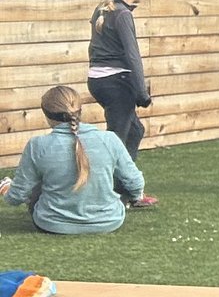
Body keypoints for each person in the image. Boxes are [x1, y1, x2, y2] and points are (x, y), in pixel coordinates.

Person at [4, 85, 144, 234]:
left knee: (38, 183)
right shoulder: (109, 140)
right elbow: (135, 182)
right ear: (80, 110)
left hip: (51, 224)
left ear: (47, 115)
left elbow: (16, 197)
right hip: (109, 221)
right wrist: (135, 196)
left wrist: (7, 190)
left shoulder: (37, 145)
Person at [85, 0, 158, 208]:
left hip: (99, 80)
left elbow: (92, 49)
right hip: (118, 83)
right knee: (117, 139)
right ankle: (112, 196)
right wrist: (141, 93)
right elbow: (132, 56)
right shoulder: (123, 15)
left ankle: (128, 190)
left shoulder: (103, 9)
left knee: (134, 131)